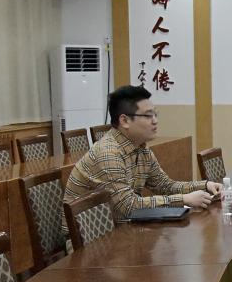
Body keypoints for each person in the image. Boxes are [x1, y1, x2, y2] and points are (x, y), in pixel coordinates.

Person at [64, 85, 221, 223]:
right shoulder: (109, 153)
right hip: (89, 241)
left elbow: (165, 186)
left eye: (155, 114)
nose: (155, 121)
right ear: (124, 121)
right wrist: (184, 199)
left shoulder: (141, 149)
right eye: (147, 116)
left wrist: (205, 185)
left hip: (121, 228)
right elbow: (128, 207)